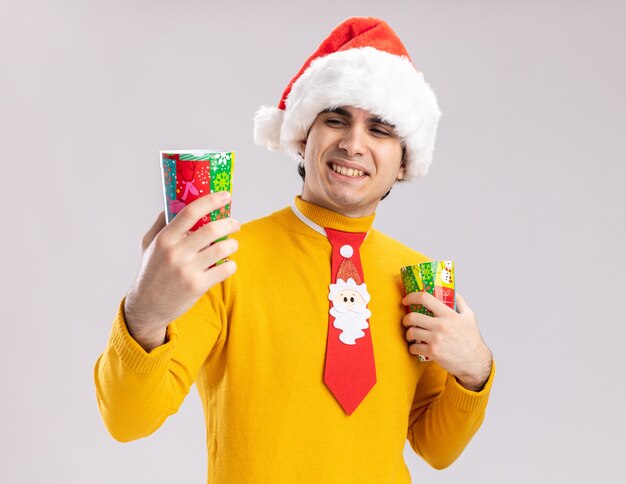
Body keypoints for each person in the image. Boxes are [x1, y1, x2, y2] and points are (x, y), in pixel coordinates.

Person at [94, 17, 494, 483]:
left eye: (380, 130)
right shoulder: (222, 258)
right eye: (336, 119)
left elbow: (436, 448)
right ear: (303, 136)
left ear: (404, 161)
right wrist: (144, 314)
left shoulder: (419, 277)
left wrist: (474, 369)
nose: (352, 143)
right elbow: (128, 420)